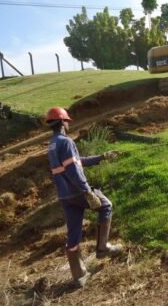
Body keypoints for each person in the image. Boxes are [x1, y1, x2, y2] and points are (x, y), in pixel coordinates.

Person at [45, 106, 122, 287]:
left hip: (65, 196)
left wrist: (102, 157)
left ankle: (79, 276)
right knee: (106, 206)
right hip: (78, 191)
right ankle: (102, 248)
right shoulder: (66, 142)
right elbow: (73, 170)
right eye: (67, 121)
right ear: (63, 122)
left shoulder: (53, 144)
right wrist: (87, 192)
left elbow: (77, 161)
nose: (69, 124)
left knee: (73, 233)